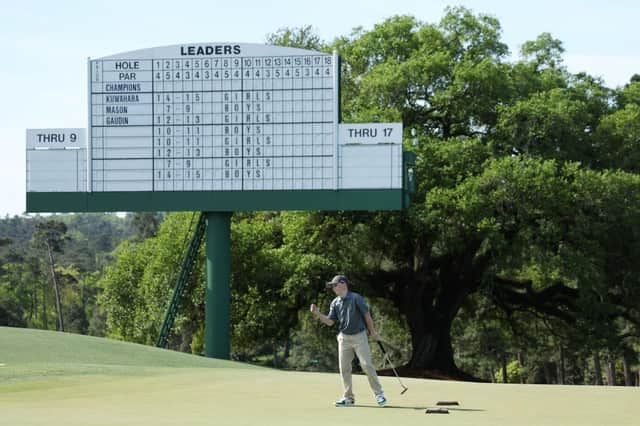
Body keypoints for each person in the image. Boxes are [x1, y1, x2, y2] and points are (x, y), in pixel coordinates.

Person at [310, 274, 387, 407]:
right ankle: (348, 398)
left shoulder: (356, 298)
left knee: (366, 365)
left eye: (335, 285)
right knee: (344, 368)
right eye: (332, 286)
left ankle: (379, 394)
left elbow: (366, 315)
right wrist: (317, 314)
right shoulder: (335, 302)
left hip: (359, 336)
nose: (333, 288)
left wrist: (373, 332)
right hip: (344, 338)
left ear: (343, 284)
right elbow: (330, 322)